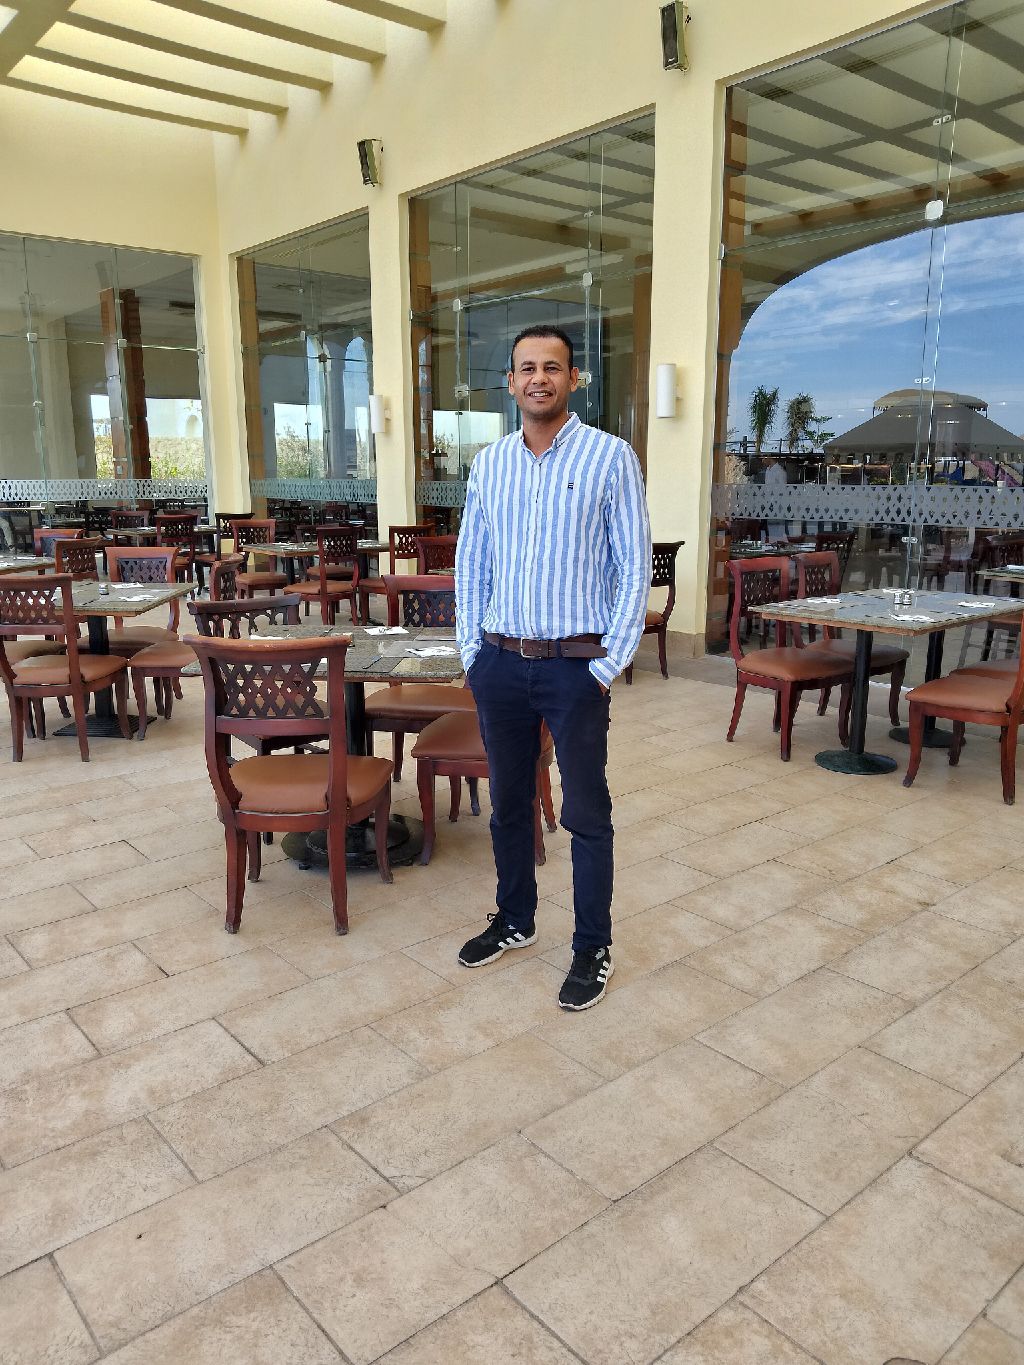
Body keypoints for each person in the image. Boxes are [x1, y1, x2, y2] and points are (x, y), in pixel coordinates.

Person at [454, 324, 652, 1010]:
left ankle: (592, 946)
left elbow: (634, 566)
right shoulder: (489, 464)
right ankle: (515, 918)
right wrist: (472, 652)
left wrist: (609, 662)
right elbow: (472, 563)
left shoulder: (610, 457)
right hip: (501, 662)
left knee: (586, 812)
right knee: (510, 804)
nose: (539, 378)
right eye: (527, 368)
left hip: (575, 667)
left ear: (573, 379)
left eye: (553, 367)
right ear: (510, 382)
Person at [761, 453, 788, 541]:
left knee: (777, 526)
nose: (762, 460)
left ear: (770, 457)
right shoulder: (768, 470)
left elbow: (783, 488)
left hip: (777, 502)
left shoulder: (779, 471)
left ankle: (779, 541)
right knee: (769, 525)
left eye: (764, 458)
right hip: (768, 501)